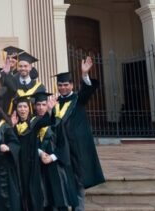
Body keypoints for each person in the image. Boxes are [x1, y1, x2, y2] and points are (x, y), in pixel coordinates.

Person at [55, 58, 105, 211]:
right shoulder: (55, 102)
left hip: (76, 148)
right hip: (61, 147)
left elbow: (87, 91)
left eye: (66, 85)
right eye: (60, 85)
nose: (63, 88)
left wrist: (84, 74)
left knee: (78, 180)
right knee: (62, 179)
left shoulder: (78, 99)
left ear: (71, 85)